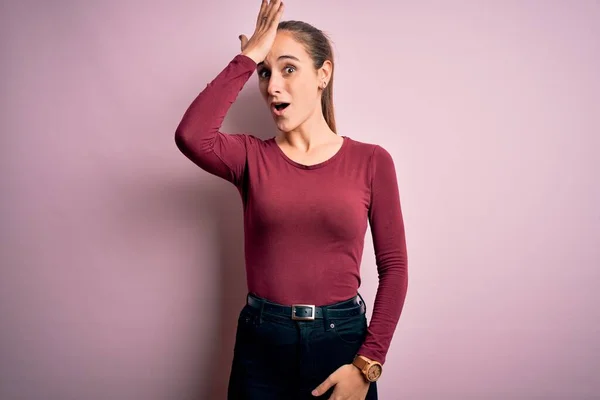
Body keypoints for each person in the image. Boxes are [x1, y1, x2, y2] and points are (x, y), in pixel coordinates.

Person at [174, 1, 408, 398]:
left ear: (323, 74)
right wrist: (248, 57)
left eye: (288, 68)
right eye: (265, 73)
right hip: (262, 345)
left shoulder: (371, 161)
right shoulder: (251, 157)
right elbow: (192, 136)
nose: (272, 86)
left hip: (343, 345)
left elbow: (395, 268)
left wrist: (367, 364)